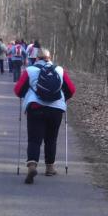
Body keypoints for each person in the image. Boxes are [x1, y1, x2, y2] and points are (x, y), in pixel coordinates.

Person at [14, 49, 75, 184]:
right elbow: (71, 89)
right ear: (50, 57)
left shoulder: (30, 70)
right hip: (56, 109)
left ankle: (32, 166)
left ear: (37, 58)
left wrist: (26, 95)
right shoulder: (59, 70)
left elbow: (18, 90)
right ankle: (50, 168)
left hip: (36, 108)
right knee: (51, 139)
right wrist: (64, 99)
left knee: (34, 139)